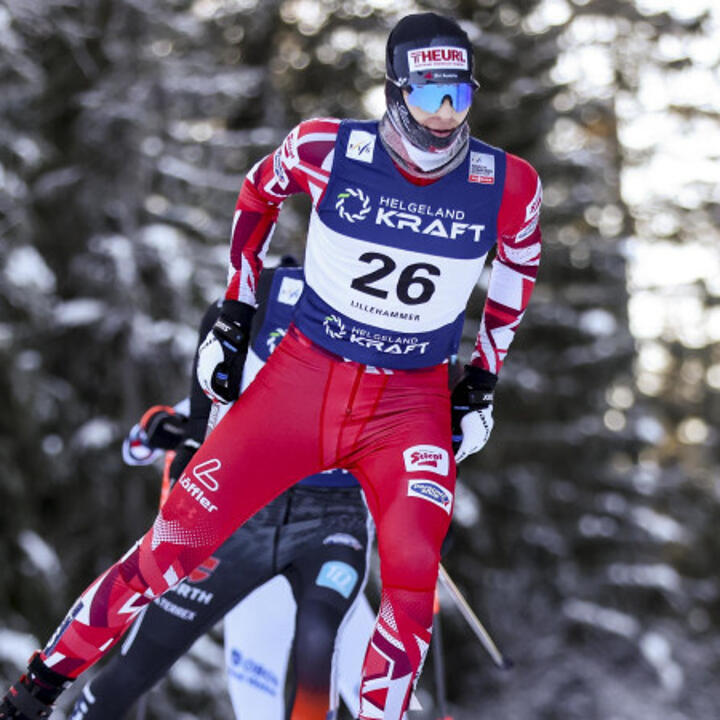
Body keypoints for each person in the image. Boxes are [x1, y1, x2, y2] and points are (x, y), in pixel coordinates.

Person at [1, 12, 542, 720]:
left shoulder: (506, 184)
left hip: (408, 407)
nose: (442, 118)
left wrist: (480, 382)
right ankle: (32, 693)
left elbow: (518, 269)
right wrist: (233, 312)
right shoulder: (326, 147)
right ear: (393, 90)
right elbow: (258, 194)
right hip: (301, 388)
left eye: (458, 97)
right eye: (426, 96)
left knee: (411, 589)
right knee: (166, 555)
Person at [69, 258, 375, 720]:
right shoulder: (238, 368)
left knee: (361, 681)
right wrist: (160, 430)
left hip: (321, 539)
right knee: (245, 693)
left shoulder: (360, 367)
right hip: (240, 536)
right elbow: (142, 443)